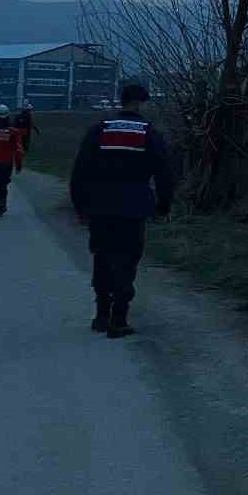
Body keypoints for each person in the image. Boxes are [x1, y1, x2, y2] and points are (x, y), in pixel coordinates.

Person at [70, 83, 175, 338]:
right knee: (127, 259)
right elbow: (164, 174)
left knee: (102, 256)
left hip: (100, 204)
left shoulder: (99, 130)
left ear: (121, 101)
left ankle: (101, 314)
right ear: (142, 103)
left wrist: (81, 206)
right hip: (133, 205)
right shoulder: (150, 134)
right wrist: (163, 206)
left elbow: (80, 171)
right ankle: (120, 317)